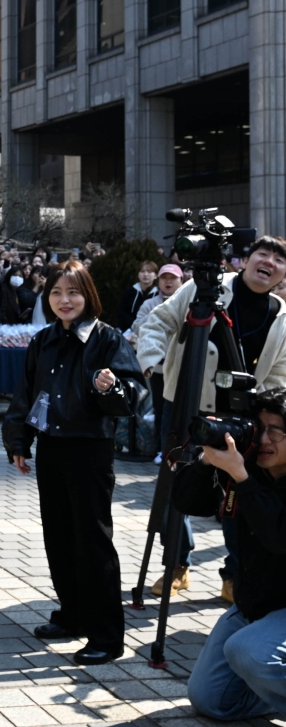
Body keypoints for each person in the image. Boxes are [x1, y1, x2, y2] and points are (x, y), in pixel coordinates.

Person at [3, 260, 145, 665]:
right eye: (56, 293)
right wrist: (18, 440)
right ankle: (72, 615)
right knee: (59, 537)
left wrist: (111, 387)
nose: (64, 300)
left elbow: (133, 397)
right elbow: (27, 393)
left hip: (90, 451)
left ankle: (106, 637)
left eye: (73, 292)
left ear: (88, 295)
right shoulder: (43, 339)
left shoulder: (108, 339)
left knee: (92, 542)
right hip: (52, 447)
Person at [138, 237, 286, 602]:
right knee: (178, 485)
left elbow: (279, 374)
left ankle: (235, 574)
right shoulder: (205, 288)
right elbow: (160, 321)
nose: (269, 262)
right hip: (186, 404)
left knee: (240, 491)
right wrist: (153, 363)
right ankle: (176, 564)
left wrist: (263, 413)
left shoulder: (282, 315)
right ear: (246, 260)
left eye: (279, 259)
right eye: (263, 254)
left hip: (240, 418)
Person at [177, 388, 286, 720]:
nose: (263, 439)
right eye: (259, 428)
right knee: (211, 700)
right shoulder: (248, 466)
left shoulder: (245, 474)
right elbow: (186, 502)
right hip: (256, 603)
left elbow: (279, 538)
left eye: (276, 431)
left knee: (250, 652)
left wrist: (242, 477)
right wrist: (206, 461)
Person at [115, 260, 160, 332]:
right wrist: (134, 324)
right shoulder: (129, 292)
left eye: (149, 271)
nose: (145, 274)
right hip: (128, 330)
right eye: (142, 271)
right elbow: (121, 312)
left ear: (156, 276)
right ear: (138, 275)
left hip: (151, 331)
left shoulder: (159, 294)